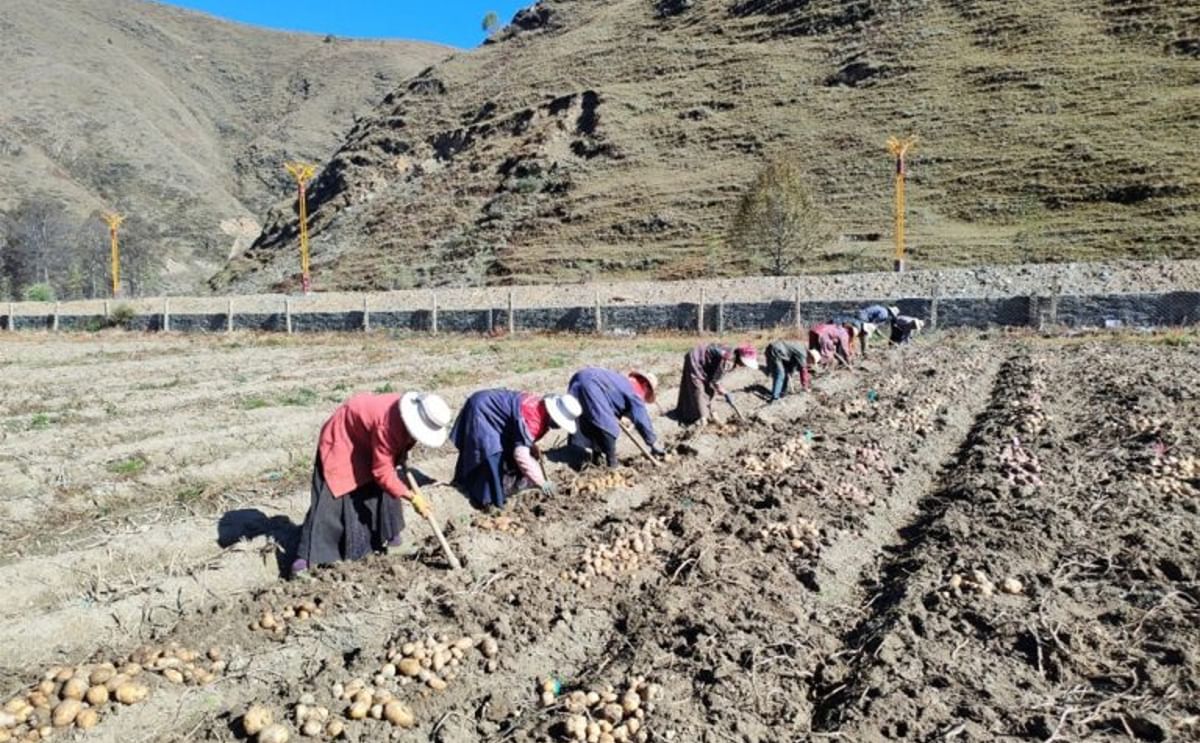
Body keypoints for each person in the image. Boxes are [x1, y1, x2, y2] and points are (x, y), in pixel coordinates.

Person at [291, 391, 453, 578]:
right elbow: (382, 472)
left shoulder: (408, 417)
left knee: (385, 490)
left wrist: (400, 453)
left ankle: (393, 541)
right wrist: (412, 497)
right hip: (343, 437)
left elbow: (399, 445)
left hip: (369, 436)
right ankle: (303, 563)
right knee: (333, 497)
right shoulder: (388, 425)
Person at [451, 389, 582, 509]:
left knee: (501, 452)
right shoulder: (534, 420)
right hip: (482, 412)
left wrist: (532, 445)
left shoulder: (540, 407)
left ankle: (469, 482)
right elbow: (520, 455)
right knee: (491, 454)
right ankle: (490, 501)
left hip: (489, 406)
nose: (558, 426)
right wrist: (542, 482)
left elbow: (521, 431)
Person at [568, 368, 664, 468]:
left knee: (589, 417)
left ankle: (594, 457)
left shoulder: (624, 382)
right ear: (645, 385)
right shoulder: (637, 391)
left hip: (579, 378)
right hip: (592, 385)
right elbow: (642, 420)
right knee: (609, 426)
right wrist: (653, 443)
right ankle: (612, 464)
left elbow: (613, 402)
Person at [674, 343, 758, 425]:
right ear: (741, 359)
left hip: (707, 363)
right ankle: (702, 418)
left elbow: (715, 380)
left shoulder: (733, 353)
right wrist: (725, 392)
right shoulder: (728, 361)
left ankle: (712, 413)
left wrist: (721, 390)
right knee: (698, 388)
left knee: (709, 388)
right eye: (745, 364)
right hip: (695, 358)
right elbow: (715, 382)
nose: (744, 366)